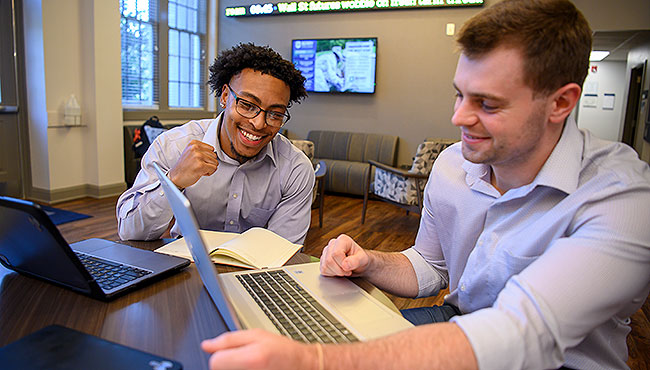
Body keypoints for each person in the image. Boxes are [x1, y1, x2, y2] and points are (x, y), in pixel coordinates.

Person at [200, 1, 650, 369]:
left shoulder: (624, 199)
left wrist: (319, 360)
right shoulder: (454, 164)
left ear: (562, 102)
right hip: (458, 321)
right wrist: (368, 260)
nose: (459, 119)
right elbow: (430, 265)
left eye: (487, 103)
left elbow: (523, 335)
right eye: (459, 94)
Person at [116, 43, 314, 244]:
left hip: (255, 272)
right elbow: (131, 232)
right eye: (247, 105)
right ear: (225, 96)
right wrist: (173, 181)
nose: (258, 123)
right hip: (185, 268)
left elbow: (281, 252)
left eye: (275, 114)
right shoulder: (174, 146)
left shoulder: (295, 169)